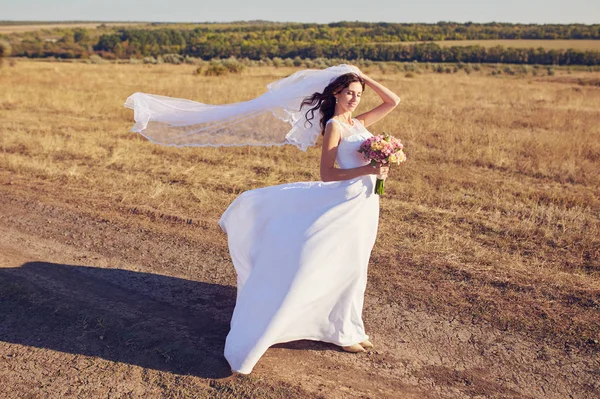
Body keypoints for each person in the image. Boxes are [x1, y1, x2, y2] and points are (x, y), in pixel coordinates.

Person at [218, 68, 401, 374]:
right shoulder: (334, 126)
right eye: (349, 93)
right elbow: (327, 174)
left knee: (357, 266)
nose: (355, 99)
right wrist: (369, 170)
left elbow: (393, 101)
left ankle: (347, 329)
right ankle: (338, 332)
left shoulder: (358, 123)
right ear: (336, 95)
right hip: (347, 202)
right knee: (340, 264)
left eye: (358, 94)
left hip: (368, 203)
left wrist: (363, 76)